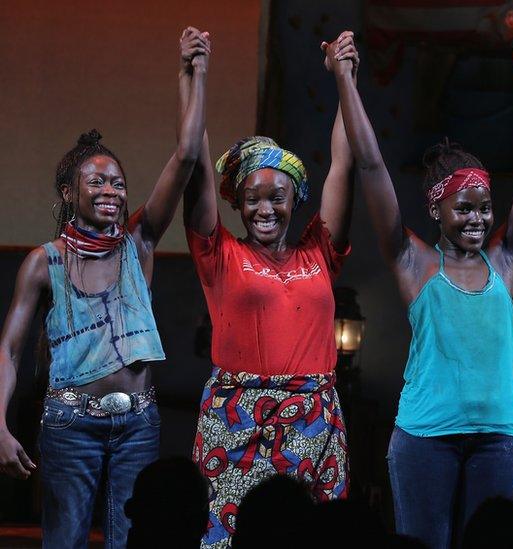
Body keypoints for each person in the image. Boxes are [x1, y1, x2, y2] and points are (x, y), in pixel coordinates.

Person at [331, 28, 513, 549]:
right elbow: (372, 165)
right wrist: (345, 78)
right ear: (435, 210)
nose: (477, 218)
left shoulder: (505, 258)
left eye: (484, 207)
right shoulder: (412, 260)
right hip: (425, 438)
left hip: (498, 439)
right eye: (463, 209)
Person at [0, 27, 210, 548]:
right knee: (64, 539)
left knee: (134, 540)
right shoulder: (43, 263)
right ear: (70, 194)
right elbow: (8, 348)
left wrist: (193, 73)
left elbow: (186, 155)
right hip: (69, 425)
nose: (111, 190)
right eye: (96, 182)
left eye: (117, 181)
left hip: (137, 424)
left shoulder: (138, 242)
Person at [182, 32, 357, 548]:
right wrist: (197, 75)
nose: (265, 208)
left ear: (295, 198)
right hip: (235, 418)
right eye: (252, 198)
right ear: (236, 203)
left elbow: (344, 164)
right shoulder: (220, 254)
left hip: (313, 417)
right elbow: (193, 160)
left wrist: (344, 76)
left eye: (277, 197)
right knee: (224, 541)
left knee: (309, 540)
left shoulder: (318, 251)